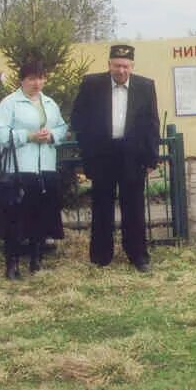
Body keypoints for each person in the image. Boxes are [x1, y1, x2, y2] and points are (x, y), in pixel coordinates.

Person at [71, 44, 161, 272]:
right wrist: (87, 155)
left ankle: (138, 255)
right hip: (102, 155)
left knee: (134, 207)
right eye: (116, 65)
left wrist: (151, 158)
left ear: (132, 66)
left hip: (132, 156)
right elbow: (79, 120)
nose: (121, 70)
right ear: (109, 64)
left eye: (125, 66)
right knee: (101, 205)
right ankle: (101, 257)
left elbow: (152, 123)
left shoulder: (145, 86)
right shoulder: (92, 85)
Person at [0, 59, 67, 280]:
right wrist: (28, 136)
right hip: (19, 170)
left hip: (45, 169)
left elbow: (62, 127)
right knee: (15, 219)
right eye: (32, 78)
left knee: (41, 217)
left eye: (41, 78)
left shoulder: (50, 103)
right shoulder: (9, 103)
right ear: (22, 80)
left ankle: (36, 259)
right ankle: (12, 264)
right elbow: (0, 134)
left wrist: (52, 135)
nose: (37, 83)